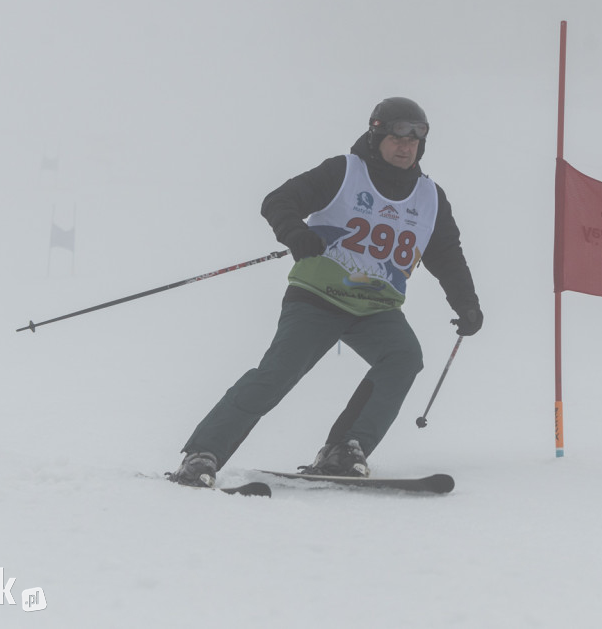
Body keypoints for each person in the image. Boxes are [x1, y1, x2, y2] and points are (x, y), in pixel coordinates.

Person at [170, 97, 482, 487]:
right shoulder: (345, 173)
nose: (405, 147)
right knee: (278, 374)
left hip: (376, 308)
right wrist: (295, 233)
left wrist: (466, 303)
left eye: (414, 141)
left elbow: (447, 254)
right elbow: (278, 201)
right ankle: (203, 455)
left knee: (404, 356)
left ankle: (345, 449)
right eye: (396, 138)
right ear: (377, 136)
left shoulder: (430, 198)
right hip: (318, 299)